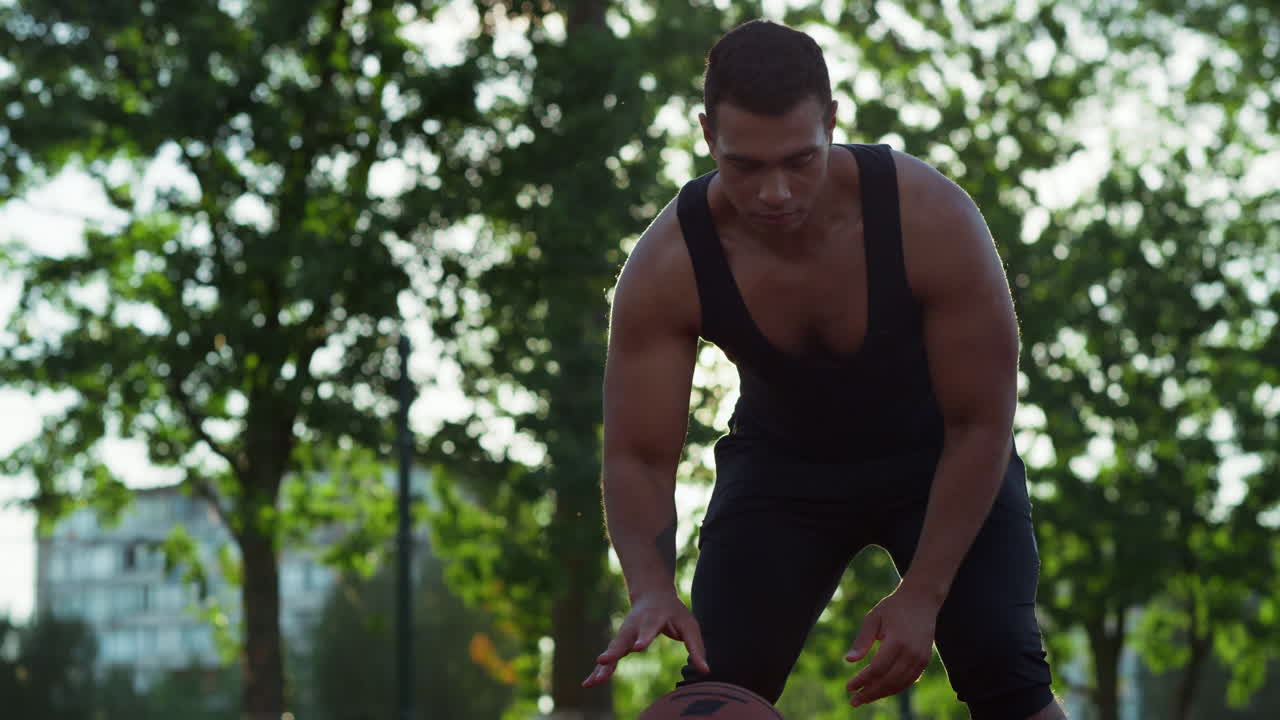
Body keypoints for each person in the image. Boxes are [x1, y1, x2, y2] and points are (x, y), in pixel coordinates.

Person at [582, 18, 1067, 720]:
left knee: (1004, 667)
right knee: (718, 685)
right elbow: (638, 456)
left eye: (799, 160)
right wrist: (650, 585)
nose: (775, 192)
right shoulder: (669, 265)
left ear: (832, 123)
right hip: (782, 474)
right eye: (745, 165)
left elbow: (981, 422)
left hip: (940, 459)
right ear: (707, 136)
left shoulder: (930, 218)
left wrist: (925, 594)